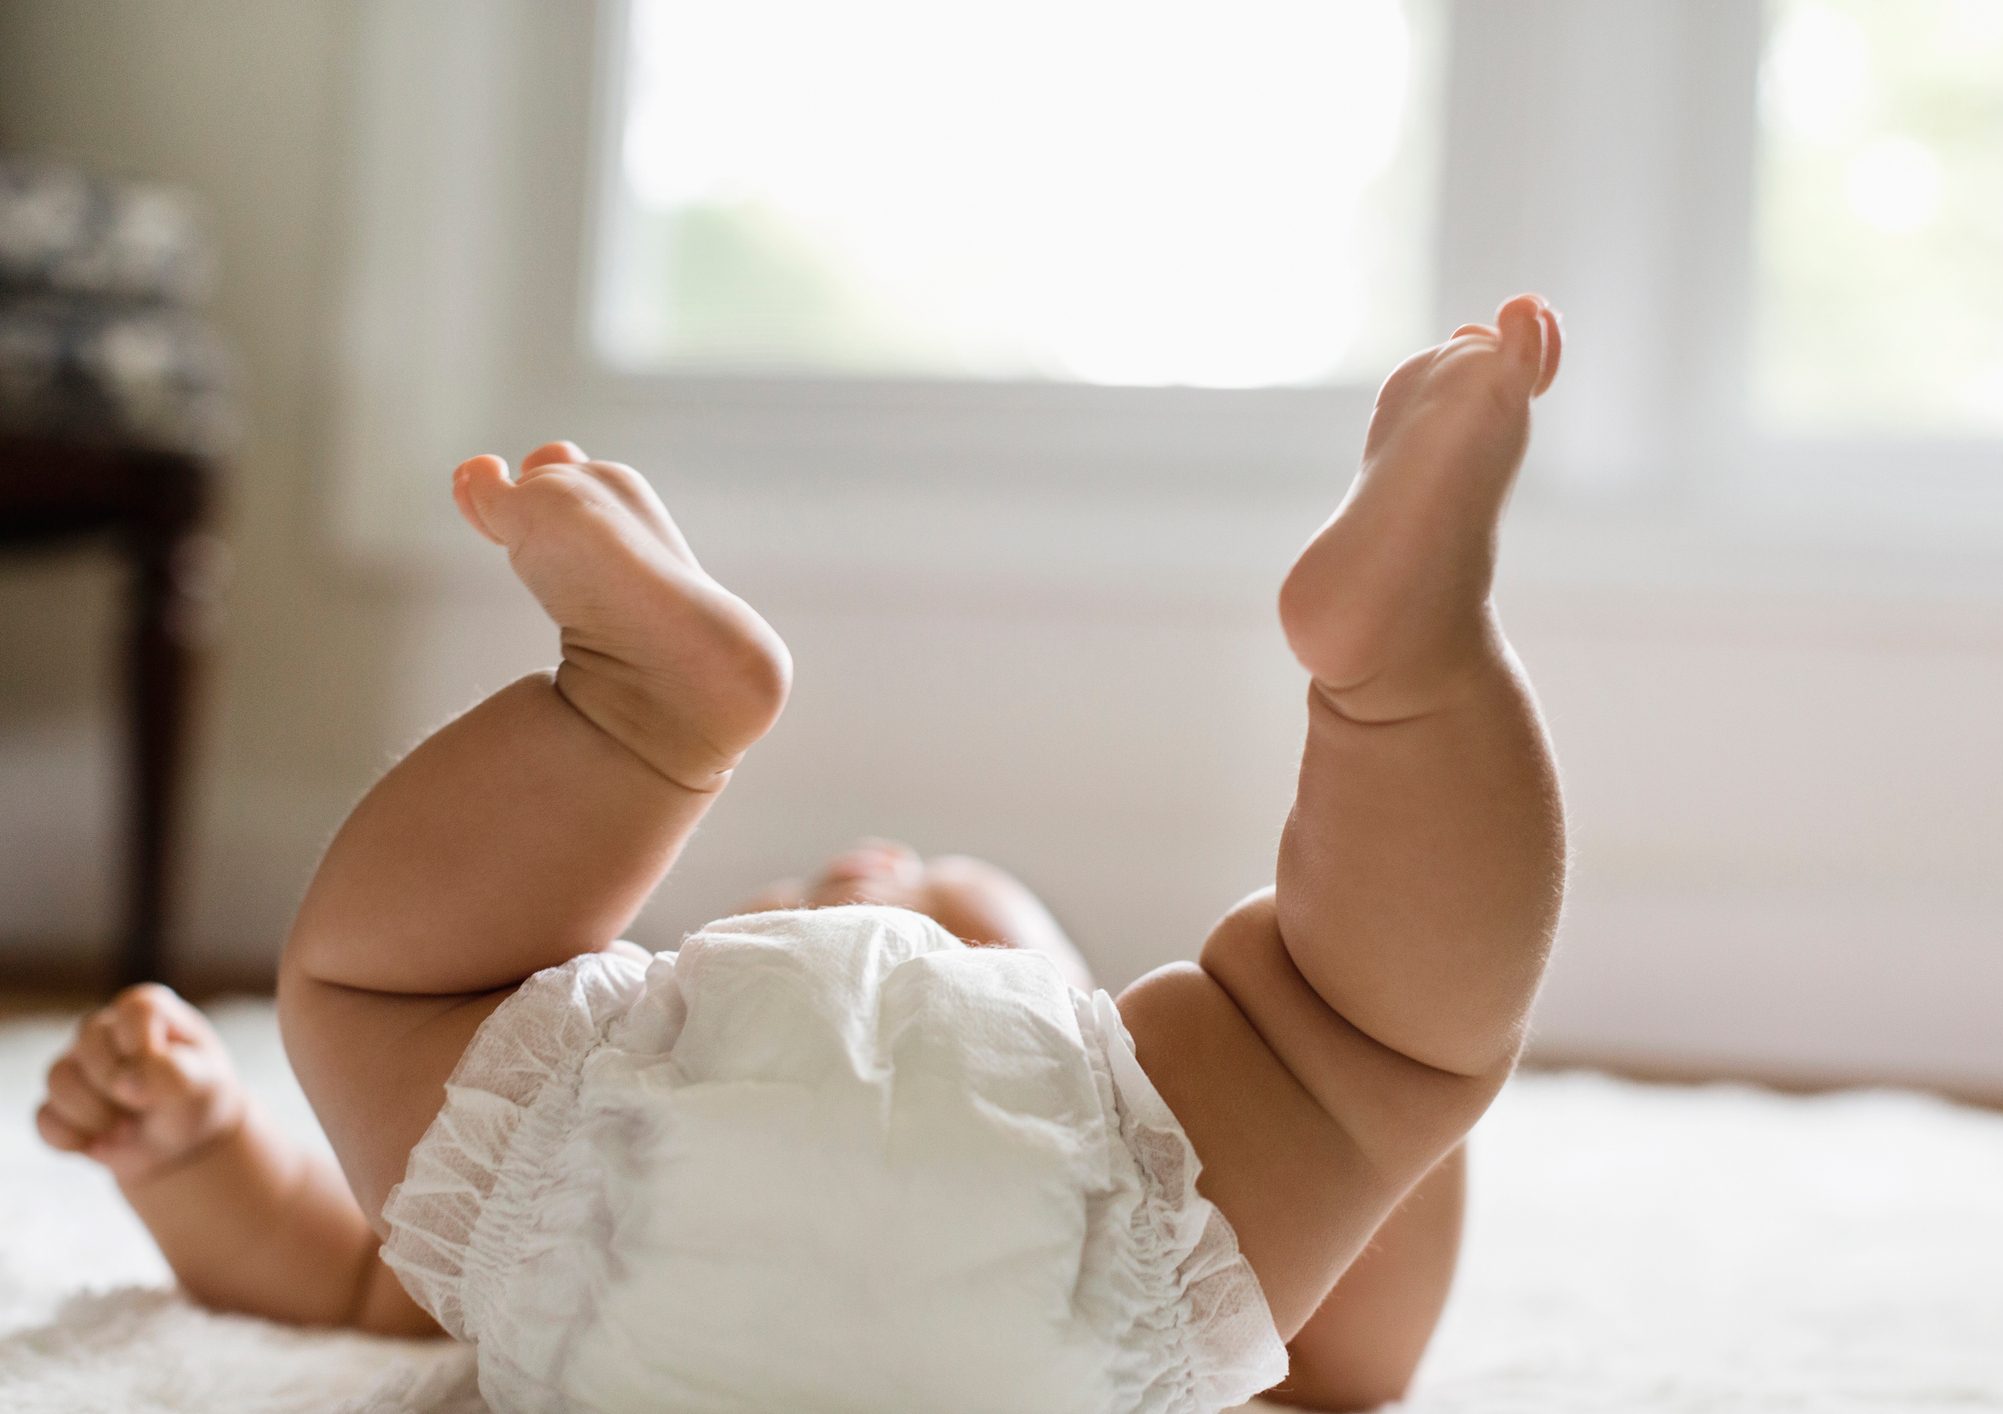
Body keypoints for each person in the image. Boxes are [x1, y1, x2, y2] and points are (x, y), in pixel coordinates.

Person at [37, 296, 1567, 1412]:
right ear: (1102, 1047)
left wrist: (196, 1161)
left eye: (920, 893)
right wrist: (1359, 1106)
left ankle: (636, 722)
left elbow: (339, 1279)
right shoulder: (1161, 1211)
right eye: (838, 897)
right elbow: (1359, 1349)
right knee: (1382, 1037)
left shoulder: (610, 1158)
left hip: (629, 1258)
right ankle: (1408, 686)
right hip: (1059, 1309)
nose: (872, 894)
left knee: (374, 984)